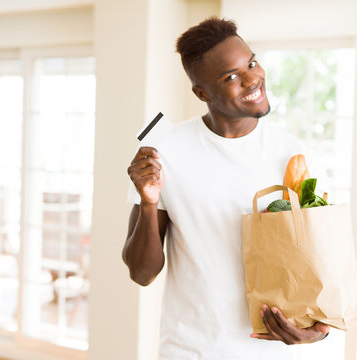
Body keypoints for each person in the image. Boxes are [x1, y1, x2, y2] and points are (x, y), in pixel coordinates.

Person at [124, 17, 329, 359]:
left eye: (251, 63)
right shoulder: (166, 155)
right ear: (202, 93)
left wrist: (318, 333)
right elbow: (142, 273)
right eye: (231, 76)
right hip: (193, 350)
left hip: (274, 351)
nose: (252, 78)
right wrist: (148, 203)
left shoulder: (293, 155)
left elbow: (319, 263)